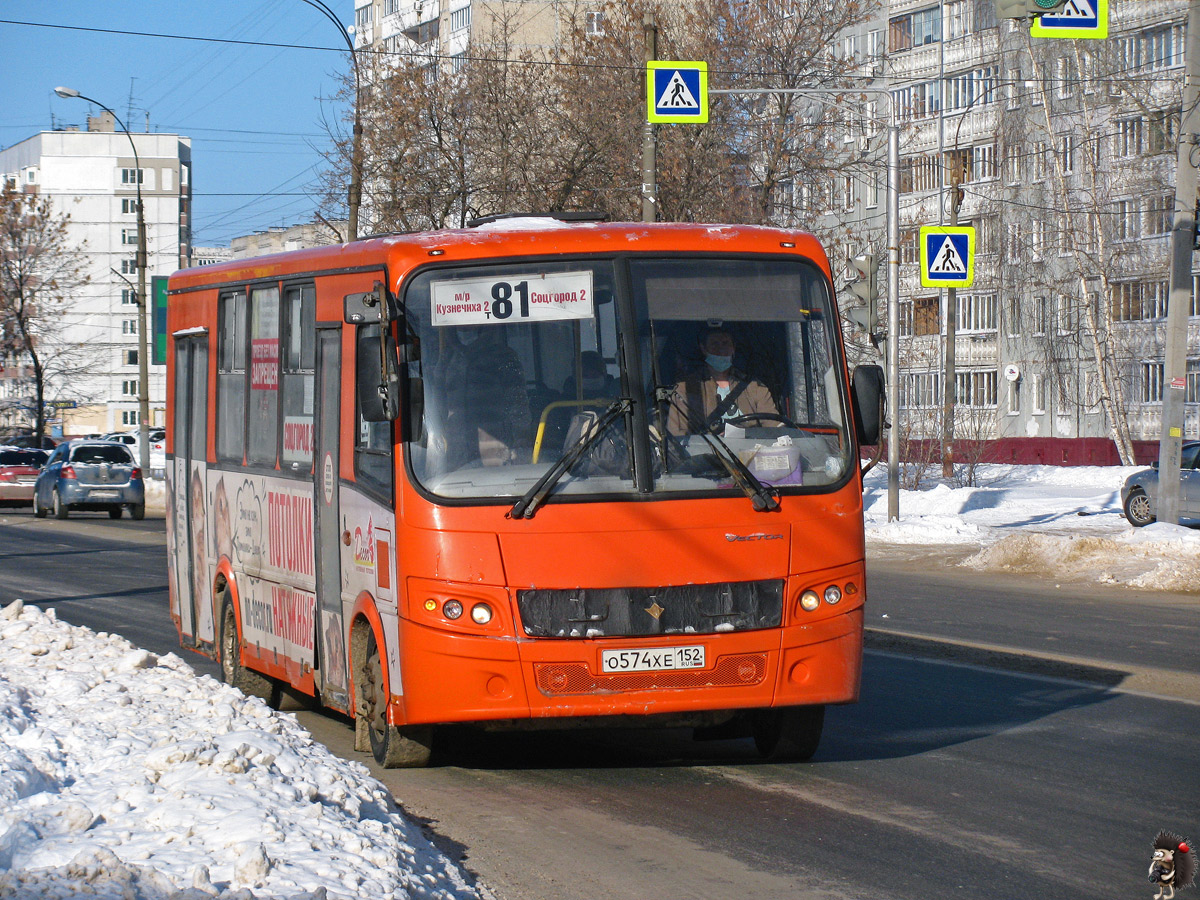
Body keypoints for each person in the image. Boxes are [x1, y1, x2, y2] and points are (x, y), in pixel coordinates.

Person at [430, 325, 531, 469]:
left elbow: (517, 401)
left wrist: (521, 440)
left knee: (496, 485)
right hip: (457, 442)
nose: (465, 328)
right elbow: (438, 402)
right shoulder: (447, 358)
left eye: (469, 322)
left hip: (493, 438)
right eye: (460, 322)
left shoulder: (503, 356)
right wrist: (439, 433)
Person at [667, 327, 778, 436]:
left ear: (733, 348)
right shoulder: (685, 389)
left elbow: (775, 428)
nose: (721, 350)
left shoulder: (755, 387)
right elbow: (677, 436)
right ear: (704, 349)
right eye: (714, 344)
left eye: (725, 344)